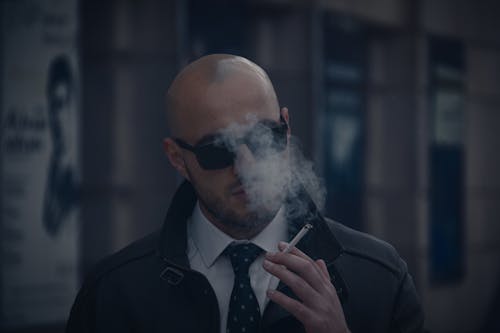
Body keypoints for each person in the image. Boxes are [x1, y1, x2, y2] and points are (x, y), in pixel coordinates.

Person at [66, 54, 424, 333]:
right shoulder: (115, 293)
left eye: (263, 138)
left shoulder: (379, 278)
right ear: (177, 158)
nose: (247, 168)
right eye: (217, 150)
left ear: (286, 129)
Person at [44, 54, 79, 236]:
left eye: (62, 104)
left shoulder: (80, 166)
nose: (56, 116)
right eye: (53, 106)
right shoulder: (56, 162)